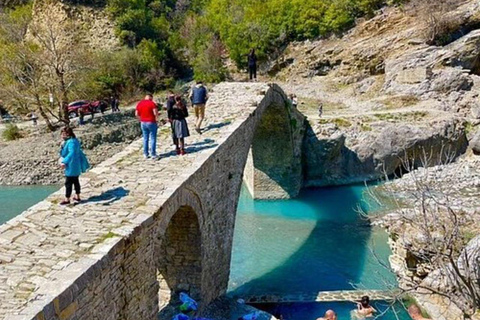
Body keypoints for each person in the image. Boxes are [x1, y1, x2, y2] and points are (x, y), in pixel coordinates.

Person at [59, 127, 89, 205]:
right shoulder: (74, 140)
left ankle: (67, 199)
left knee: (68, 183)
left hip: (71, 164)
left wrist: (64, 162)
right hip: (76, 164)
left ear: (67, 134)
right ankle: (77, 196)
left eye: (63, 134)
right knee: (76, 181)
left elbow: (71, 153)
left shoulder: (71, 142)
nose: (62, 136)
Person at [136, 94, 159, 159]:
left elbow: (136, 114)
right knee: (153, 138)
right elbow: (155, 113)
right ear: (151, 97)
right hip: (151, 122)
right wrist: (157, 119)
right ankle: (153, 154)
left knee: (145, 138)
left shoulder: (140, 103)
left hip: (143, 122)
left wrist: (140, 119)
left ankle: (145, 154)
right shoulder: (152, 103)